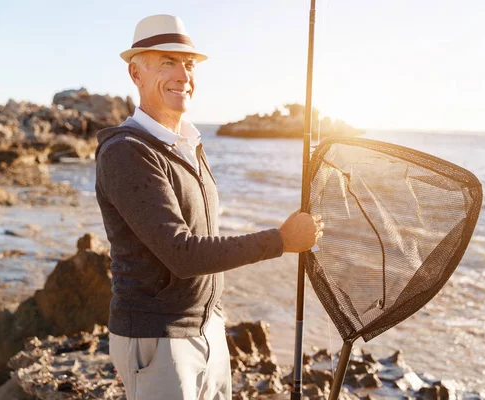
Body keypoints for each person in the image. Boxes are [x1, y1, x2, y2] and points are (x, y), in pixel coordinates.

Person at [94, 14, 323, 400]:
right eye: (168, 62)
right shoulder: (127, 152)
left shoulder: (189, 145)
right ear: (136, 73)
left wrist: (213, 319)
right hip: (158, 336)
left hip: (209, 328)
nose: (183, 75)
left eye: (189, 64)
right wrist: (281, 241)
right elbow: (182, 254)